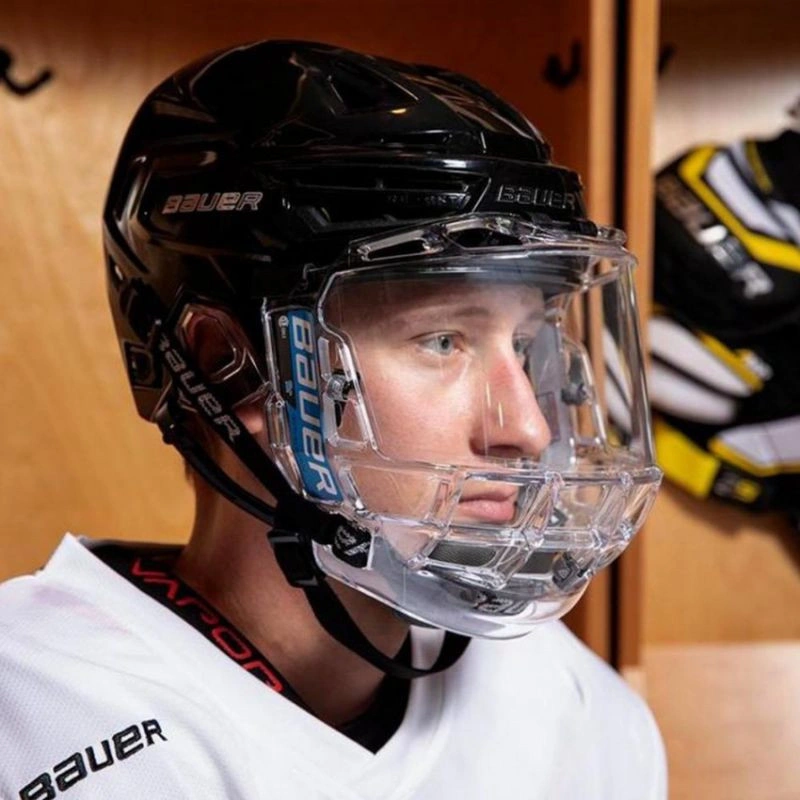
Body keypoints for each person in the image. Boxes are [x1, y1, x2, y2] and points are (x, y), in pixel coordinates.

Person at [0, 40, 667, 799]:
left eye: (523, 345)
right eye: (442, 341)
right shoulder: (31, 715)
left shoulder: (574, 708)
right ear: (227, 363)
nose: (529, 428)